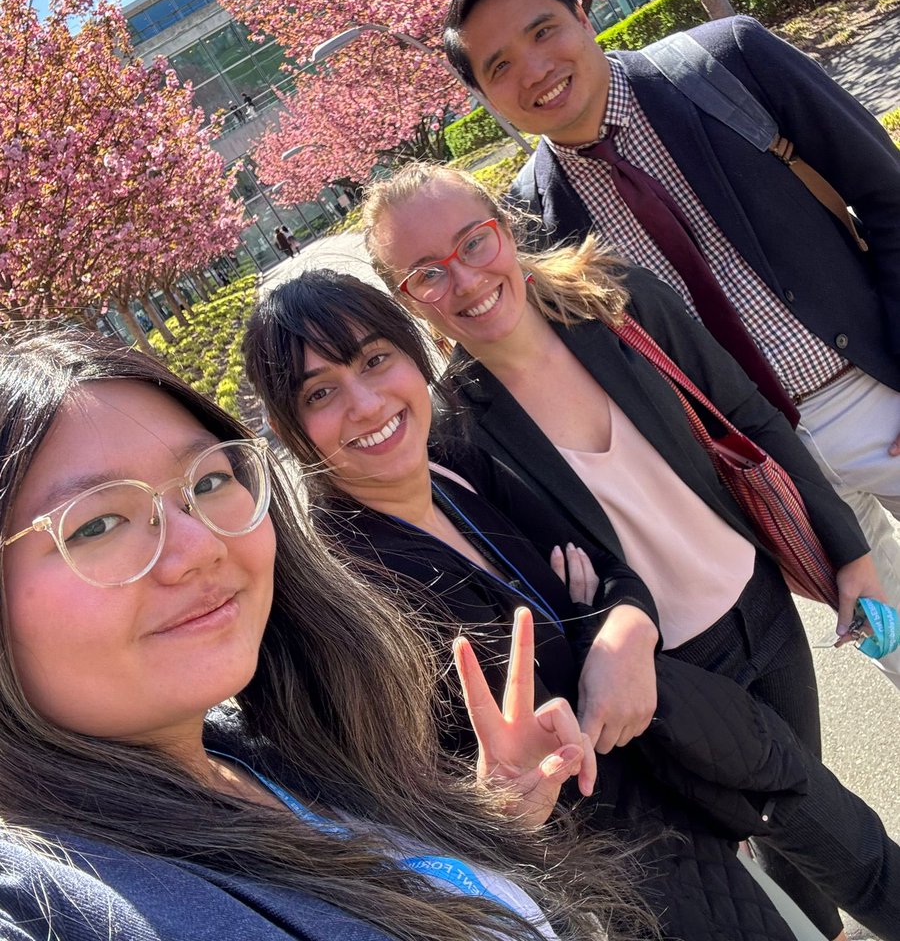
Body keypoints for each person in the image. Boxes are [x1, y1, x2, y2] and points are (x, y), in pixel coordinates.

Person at [245, 264, 900, 941]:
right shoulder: (343, 589)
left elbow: (614, 573)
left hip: (693, 726)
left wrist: (618, 628)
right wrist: (488, 803)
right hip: (621, 848)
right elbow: (386, 795)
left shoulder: (456, 466)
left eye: (376, 359)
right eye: (321, 393)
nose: (365, 403)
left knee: (869, 861)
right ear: (286, 426)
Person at [0, 324, 648, 941]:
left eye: (210, 480)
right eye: (96, 525)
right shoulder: (48, 899)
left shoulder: (265, 747)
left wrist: (480, 823)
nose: (200, 546)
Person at [439, 0, 900, 633]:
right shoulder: (534, 225)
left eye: (543, 31)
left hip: (873, 385)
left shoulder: (728, 64)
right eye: (500, 65)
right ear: (483, 95)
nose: (534, 70)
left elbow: (886, 196)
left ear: (583, 14)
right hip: (774, 469)